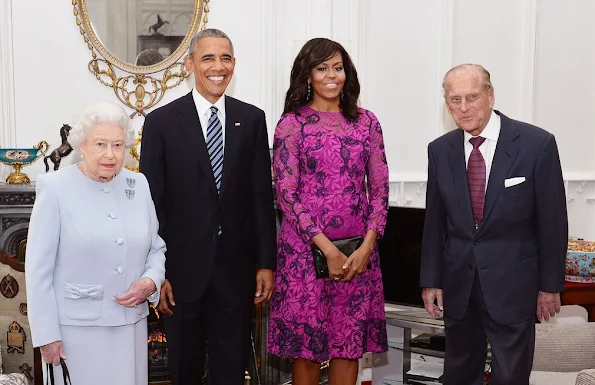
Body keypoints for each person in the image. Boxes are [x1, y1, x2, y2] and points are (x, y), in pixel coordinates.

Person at [139, 28, 277, 385]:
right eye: (208, 58)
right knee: (184, 369)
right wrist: (158, 270)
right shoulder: (161, 122)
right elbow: (151, 205)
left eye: (226, 58)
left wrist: (265, 263)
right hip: (180, 272)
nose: (219, 66)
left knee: (231, 369)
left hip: (236, 270)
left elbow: (261, 196)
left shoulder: (252, 119)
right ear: (190, 64)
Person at [420, 64, 568, 385]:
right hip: (459, 286)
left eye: (471, 97)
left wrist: (550, 285)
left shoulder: (536, 144)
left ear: (490, 95)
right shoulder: (439, 150)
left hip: (514, 286)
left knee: (510, 378)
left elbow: (553, 222)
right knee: (458, 376)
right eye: (455, 99)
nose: (463, 107)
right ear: (446, 103)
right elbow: (435, 222)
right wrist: (431, 280)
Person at [268, 38, 390, 385]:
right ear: (307, 75)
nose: (331, 75)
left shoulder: (367, 123)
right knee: (306, 350)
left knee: (347, 346)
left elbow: (380, 190)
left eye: (337, 67)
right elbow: (286, 195)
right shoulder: (291, 124)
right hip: (305, 254)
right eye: (322, 68)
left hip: (358, 255)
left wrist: (367, 247)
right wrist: (326, 248)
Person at [25, 101, 166, 385]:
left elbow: (156, 248)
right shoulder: (55, 188)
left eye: (117, 145)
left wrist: (151, 281)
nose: (110, 155)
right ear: (83, 145)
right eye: (100, 144)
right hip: (75, 332)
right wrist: (47, 335)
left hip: (130, 327)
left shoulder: (138, 185)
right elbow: (38, 270)